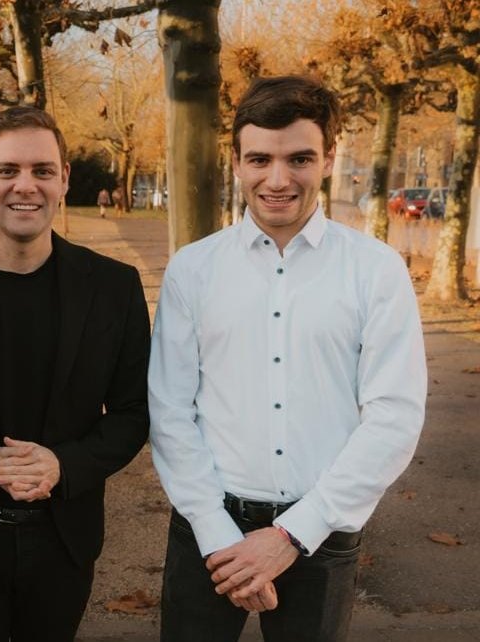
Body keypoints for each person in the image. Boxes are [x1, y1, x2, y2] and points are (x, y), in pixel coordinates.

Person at [149, 75, 427, 641]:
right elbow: (170, 410)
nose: (278, 180)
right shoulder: (193, 269)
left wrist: (291, 535)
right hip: (208, 528)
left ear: (328, 158)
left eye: (299, 158)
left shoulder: (376, 270)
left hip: (322, 532)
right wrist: (219, 536)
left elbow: (394, 416)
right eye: (260, 159)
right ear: (235, 162)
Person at [0, 106, 151, 641]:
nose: (26, 186)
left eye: (42, 170)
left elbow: (134, 411)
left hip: (66, 536)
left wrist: (63, 464)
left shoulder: (114, 287)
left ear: (64, 179)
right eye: (8, 170)